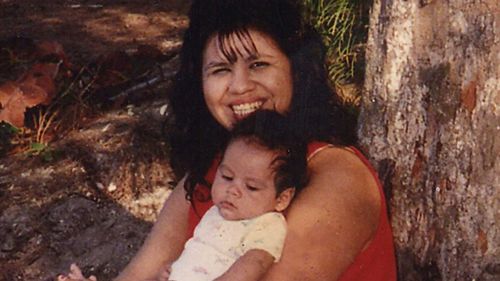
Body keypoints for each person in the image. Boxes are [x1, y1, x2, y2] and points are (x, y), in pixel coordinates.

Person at [59, 0, 397, 280]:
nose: (239, 87)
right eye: (220, 69)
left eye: (259, 65)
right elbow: (137, 276)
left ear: (297, 71)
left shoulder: (337, 176)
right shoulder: (212, 175)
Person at [163, 110, 307, 281]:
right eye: (227, 177)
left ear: (282, 199)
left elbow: (256, 263)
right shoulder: (216, 212)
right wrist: (176, 267)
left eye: (251, 187)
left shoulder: (266, 224)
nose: (232, 190)